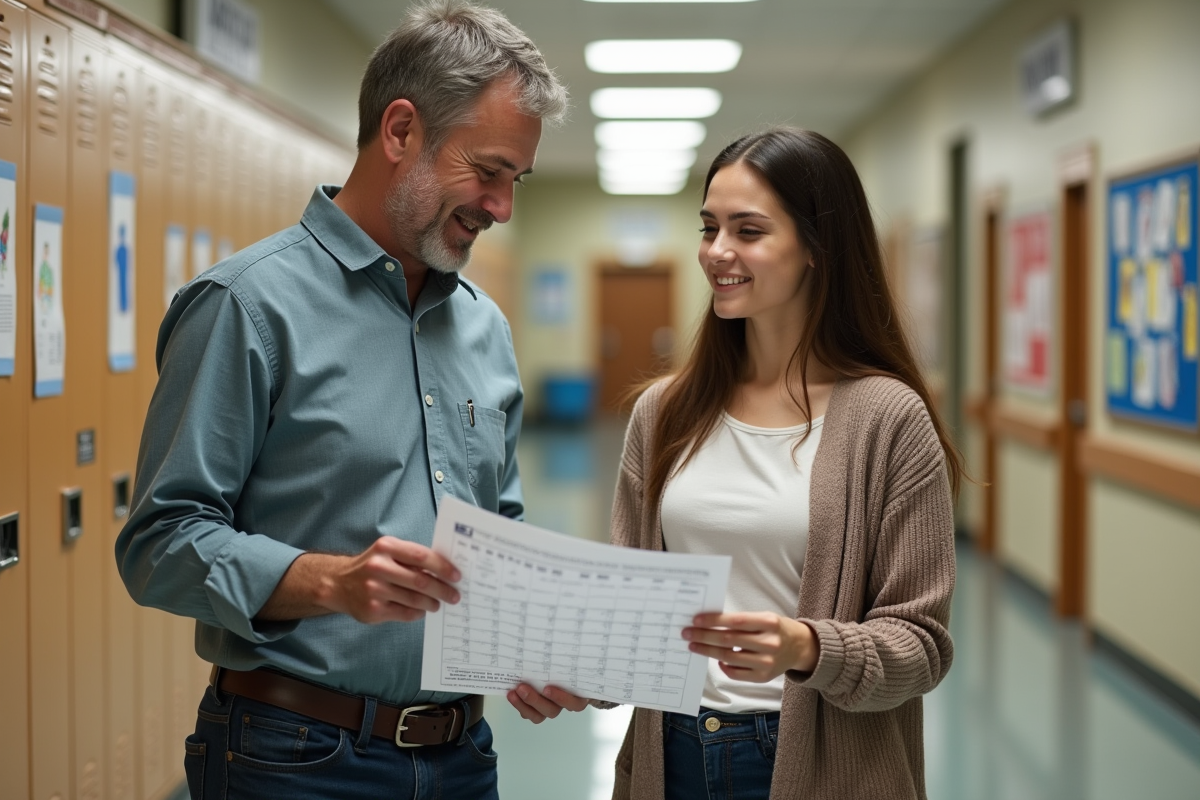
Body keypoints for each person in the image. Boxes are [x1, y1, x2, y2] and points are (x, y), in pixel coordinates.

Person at [115, 2, 577, 798]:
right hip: (293, 756)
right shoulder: (246, 306)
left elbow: (497, 532)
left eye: (516, 180)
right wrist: (327, 581)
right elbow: (159, 545)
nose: (502, 207)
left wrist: (530, 643)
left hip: (464, 756)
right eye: (489, 170)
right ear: (401, 132)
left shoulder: (484, 329)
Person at [605, 128, 962, 800]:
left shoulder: (888, 419)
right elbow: (633, 612)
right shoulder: (663, 413)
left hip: (814, 763)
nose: (717, 252)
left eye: (749, 230)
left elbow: (922, 645)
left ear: (816, 249)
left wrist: (807, 648)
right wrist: (581, 668)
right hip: (672, 752)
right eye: (709, 228)